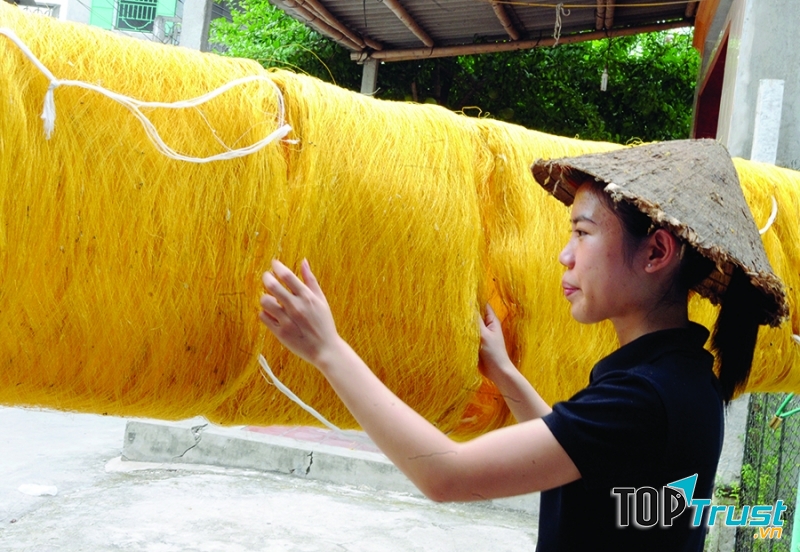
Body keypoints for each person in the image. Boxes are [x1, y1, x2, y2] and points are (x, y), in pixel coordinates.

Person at [257, 139, 787, 551]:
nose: (565, 255)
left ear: (656, 253)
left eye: (582, 233)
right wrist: (505, 372)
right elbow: (575, 453)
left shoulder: (646, 397)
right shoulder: (679, 377)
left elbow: (446, 475)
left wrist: (327, 349)